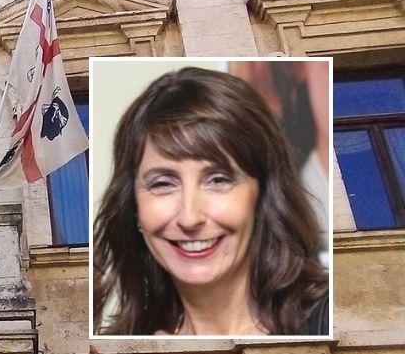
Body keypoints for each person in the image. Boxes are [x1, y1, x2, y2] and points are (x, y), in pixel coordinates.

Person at [92, 67, 329, 336]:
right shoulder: (118, 349)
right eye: (163, 184)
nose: (189, 217)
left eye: (218, 180)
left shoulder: (332, 319)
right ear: (134, 207)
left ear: (264, 194)